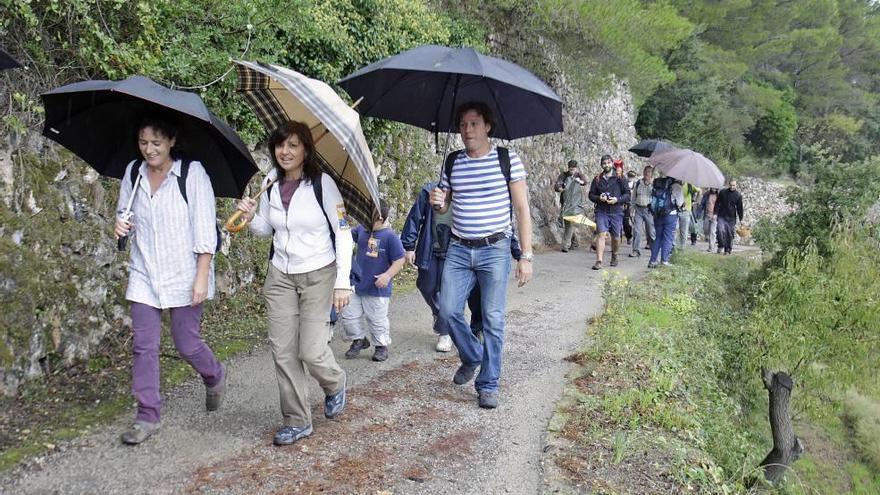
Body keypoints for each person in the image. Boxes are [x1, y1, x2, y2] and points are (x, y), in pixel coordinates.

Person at [234, 121, 351, 446]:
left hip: (318, 274)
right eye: (280, 145)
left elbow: (343, 232)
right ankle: (297, 420)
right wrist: (249, 217)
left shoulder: (323, 184)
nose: (285, 152)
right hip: (281, 275)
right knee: (283, 352)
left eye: (293, 145)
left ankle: (335, 381)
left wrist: (343, 282)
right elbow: (267, 230)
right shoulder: (270, 182)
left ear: (306, 150)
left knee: (311, 351)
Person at [114, 115, 226, 445]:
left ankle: (215, 374)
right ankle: (147, 415)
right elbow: (124, 213)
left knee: (186, 343)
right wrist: (120, 226)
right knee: (143, 346)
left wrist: (202, 277)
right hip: (145, 272)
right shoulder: (133, 173)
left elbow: (206, 230)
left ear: (172, 142)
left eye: (156, 143)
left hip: (185, 272)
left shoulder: (192, 175)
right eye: (143, 142)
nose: (149, 150)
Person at [430, 101, 534, 410]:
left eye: (474, 123)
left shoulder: (507, 159)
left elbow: (522, 209)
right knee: (447, 311)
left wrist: (525, 256)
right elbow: (445, 208)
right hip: (460, 248)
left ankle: (488, 383)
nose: (467, 130)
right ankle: (472, 355)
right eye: (462, 124)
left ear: (487, 126)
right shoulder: (453, 162)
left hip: (495, 249)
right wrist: (439, 203)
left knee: (493, 319)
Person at [342, 201, 406, 362]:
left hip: (377, 287)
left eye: (367, 217)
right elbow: (345, 235)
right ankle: (359, 340)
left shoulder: (390, 237)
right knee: (349, 315)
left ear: (380, 218)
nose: (363, 220)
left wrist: (387, 275)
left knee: (377, 319)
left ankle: (381, 346)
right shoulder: (362, 230)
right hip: (356, 283)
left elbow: (399, 260)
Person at [588, 154, 631, 270]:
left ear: (612, 163)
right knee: (601, 234)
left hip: (616, 211)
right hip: (601, 210)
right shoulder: (597, 179)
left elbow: (627, 195)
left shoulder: (620, 178)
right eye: (604, 163)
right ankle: (599, 261)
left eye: (608, 163)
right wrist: (599, 198)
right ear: (601, 165)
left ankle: (614, 255)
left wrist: (617, 200)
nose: (606, 165)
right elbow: (591, 195)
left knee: (616, 237)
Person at [648, 175, 684, 268]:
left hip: (657, 215)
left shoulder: (659, 183)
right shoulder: (677, 186)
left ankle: (652, 261)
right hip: (670, 215)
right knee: (668, 238)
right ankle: (664, 261)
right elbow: (679, 203)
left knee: (658, 237)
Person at [554, 159, 587, 252]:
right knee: (567, 222)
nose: (572, 171)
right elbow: (557, 184)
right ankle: (575, 242)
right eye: (570, 169)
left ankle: (565, 245)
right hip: (565, 202)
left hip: (575, 204)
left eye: (573, 169)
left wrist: (579, 181)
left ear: (576, 168)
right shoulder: (564, 175)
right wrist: (560, 188)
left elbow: (584, 182)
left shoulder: (579, 175)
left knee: (570, 222)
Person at [629, 165, 655, 258]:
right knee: (637, 230)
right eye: (646, 171)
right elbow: (633, 197)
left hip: (649, 210)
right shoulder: (638, 183)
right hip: (638, 209)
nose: (647, 173)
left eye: (649, 171)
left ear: (652, 173)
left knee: (651, 231)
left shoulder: (654, 184)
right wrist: (631, 210)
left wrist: (651, 184)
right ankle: (635, 250)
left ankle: (654, 248)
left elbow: (656, 197)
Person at [714, 180, 744, 255]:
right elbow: (717, 203)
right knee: (720, 230)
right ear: (728, 185)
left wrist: (741, 219)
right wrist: (715, 213)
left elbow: (740, 208)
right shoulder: (723, 192)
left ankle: (727, 250)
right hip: (721, 215)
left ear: (736, 185)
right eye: (730, 185)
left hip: (731, 217)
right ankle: (720, 245)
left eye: (733, 185)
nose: (732, 187)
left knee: (729, 234)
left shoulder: (738, 195)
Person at [675, 182, 701, 250]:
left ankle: (682, 248)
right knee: (674, 230)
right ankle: (674, 247)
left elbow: (699, 191)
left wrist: (695, 201)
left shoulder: (689, 185)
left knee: (684, 231)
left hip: (686, 211)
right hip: (675, 210)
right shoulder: (674, 185)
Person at [700, 188, 719, 252]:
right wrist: (699, 212)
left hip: (715, 216)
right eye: (712, 188)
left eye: (715, 188)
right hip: (707, 215)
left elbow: (720, 205)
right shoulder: (707, 194)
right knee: (706, 229)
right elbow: (702, 204)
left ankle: (711, 246)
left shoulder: (719, 195)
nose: (714, 189)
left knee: (713, 232)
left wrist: (717, 214)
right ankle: (707, 238)